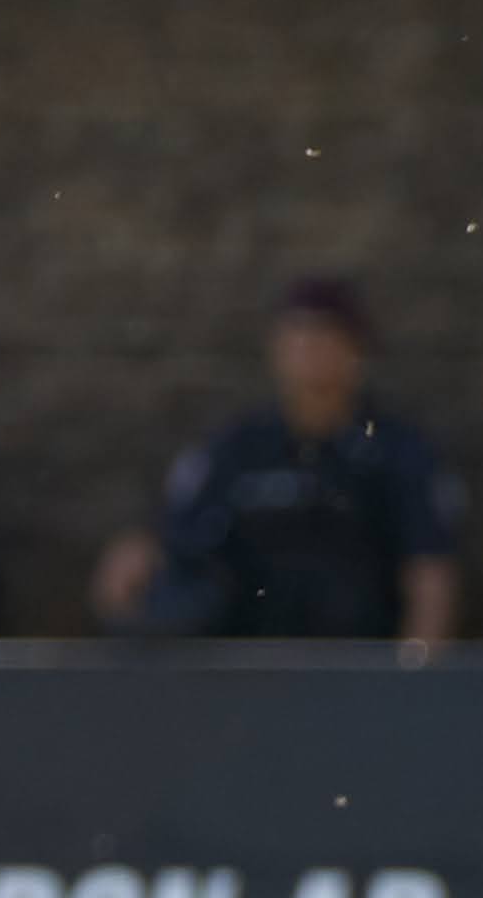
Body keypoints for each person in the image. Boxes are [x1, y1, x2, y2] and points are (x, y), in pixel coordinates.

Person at [93, 276, 459, 650]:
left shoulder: (394, 450)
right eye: (298, 333)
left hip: (355, 664)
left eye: (325, 333)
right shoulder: (237, 446)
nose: (309, 348)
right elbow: (167, 539)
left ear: (356, 348)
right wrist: (136, 563)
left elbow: (430, 574)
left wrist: (412, 668)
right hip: (243, 665)